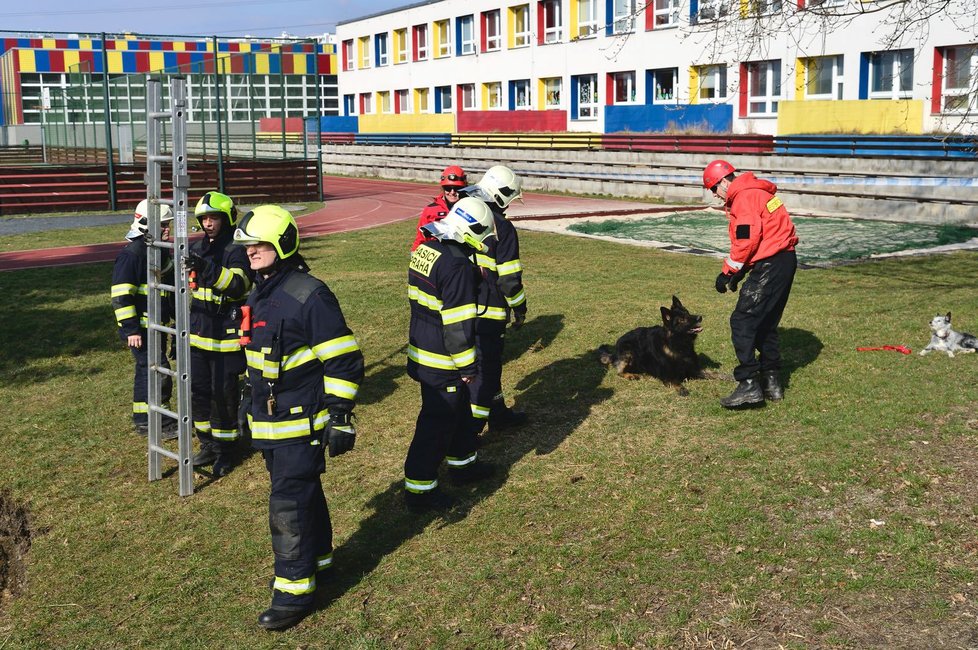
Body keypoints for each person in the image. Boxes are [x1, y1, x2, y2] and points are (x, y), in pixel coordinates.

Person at [232, 205, 364, 631]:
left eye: (259, 244)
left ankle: (294, 590)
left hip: (300, 422)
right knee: (302, 492)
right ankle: (320, 559)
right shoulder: (260, 292)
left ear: (283, 244)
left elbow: (343, 360)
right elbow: (260, 359)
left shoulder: (310, 295)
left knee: (287, 503)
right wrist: (246, 400)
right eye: (248, 245)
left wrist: (341, 414)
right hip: (270, 423)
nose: (250, 251)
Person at [405, 196, 497, 512]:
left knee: (459, 410)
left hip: (422, 343)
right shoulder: (457, 265)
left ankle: (464, 465)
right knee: (437, 421)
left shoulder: (428, 249)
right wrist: (468, 365)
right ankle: (419, 490)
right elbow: (457, 326)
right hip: (442, 357)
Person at [704, 159, 799, 409]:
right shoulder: (757, 192)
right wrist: (741, 272)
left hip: (771, 263)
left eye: (714, 189)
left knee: (743, 320)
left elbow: (747, 240)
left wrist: (728, 272)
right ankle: (771, 382)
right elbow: (763, 237)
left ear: (724, 181)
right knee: (765, 323)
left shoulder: (744, 197)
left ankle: (748, 383)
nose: (715, 196)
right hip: (784, 260)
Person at [186, 191, 253, 477]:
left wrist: (206, 268)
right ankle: (206, 444)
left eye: (213, 217)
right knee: (198, 392)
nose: (208, 223)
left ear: (227, 219)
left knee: (223, 395)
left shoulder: (236, 250)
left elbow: (238, 284)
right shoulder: (199, 248)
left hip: (225, 335)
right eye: (204, 219)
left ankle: (227, 451)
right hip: (198, 333)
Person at [464, 165, 528, 433]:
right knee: (486, 369)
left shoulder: (464, 213)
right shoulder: (502, 227)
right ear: (501, 196)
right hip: (488, 311)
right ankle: (470, 433)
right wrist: (520, 308)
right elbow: (509, 278)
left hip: (459, 306)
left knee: (487, 366)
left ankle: (498, 411)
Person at [111, 199, 177, 439]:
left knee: (149, 370)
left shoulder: (155, 251)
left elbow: (167, 278)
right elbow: (120, 297)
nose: (168, 229)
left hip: (154, 326)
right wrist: (131, 330)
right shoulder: (133, 255)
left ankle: (148, 418)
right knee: (156, 370)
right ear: (147, 225)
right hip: (141, 328)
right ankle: (153, 420)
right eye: (164, 225)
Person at [410, 165, 467, 251]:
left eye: (457, 188)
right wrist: (414, 256)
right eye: (448, 188)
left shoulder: (470, 208)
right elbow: (420, 238)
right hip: (438, 257)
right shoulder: (430, 210)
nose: (452, 192)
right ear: (443, 188)